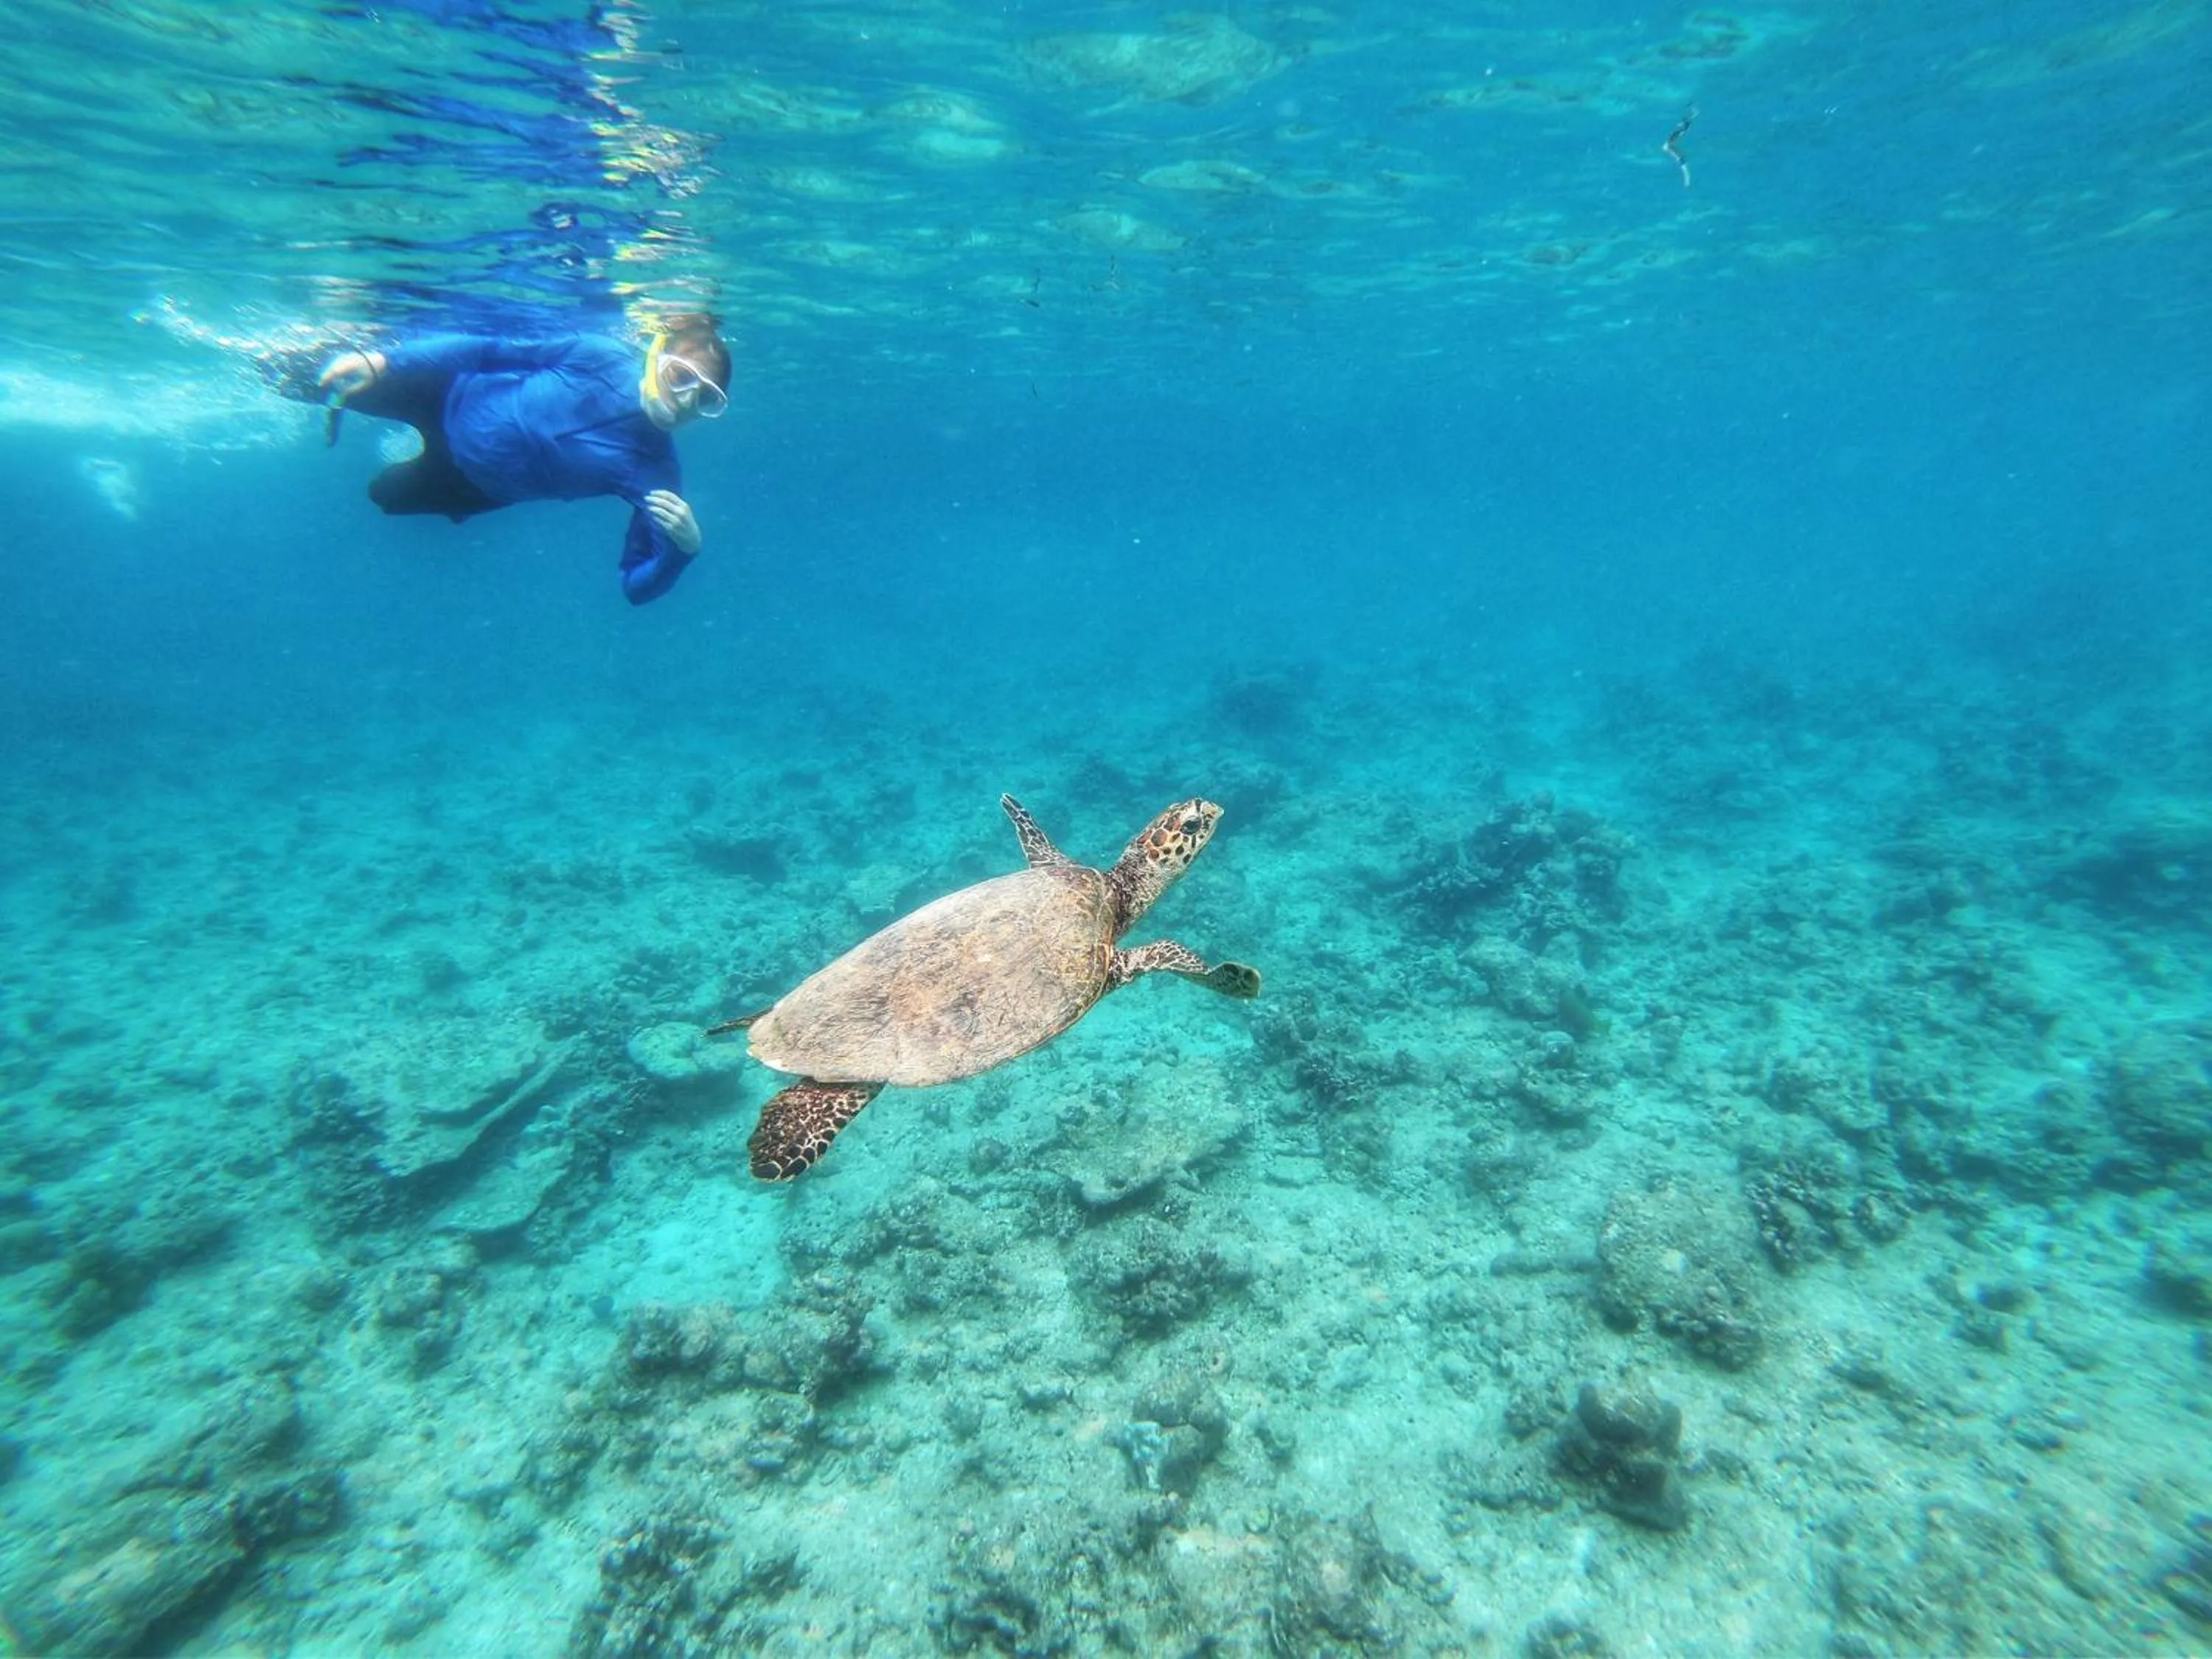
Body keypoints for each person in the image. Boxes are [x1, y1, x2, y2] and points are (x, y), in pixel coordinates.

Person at [305, 313, 730, 605]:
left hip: (466, 486)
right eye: (681, 377)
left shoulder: (657, 476)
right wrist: (384, 360)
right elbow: (490, 351)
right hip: (444, 393)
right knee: (311, 375)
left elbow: (634, 588)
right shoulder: (598, 355)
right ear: (656, 357)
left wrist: (683, 550)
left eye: (707, 398)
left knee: (382, 495)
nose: (686, 400)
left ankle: (395, 446)